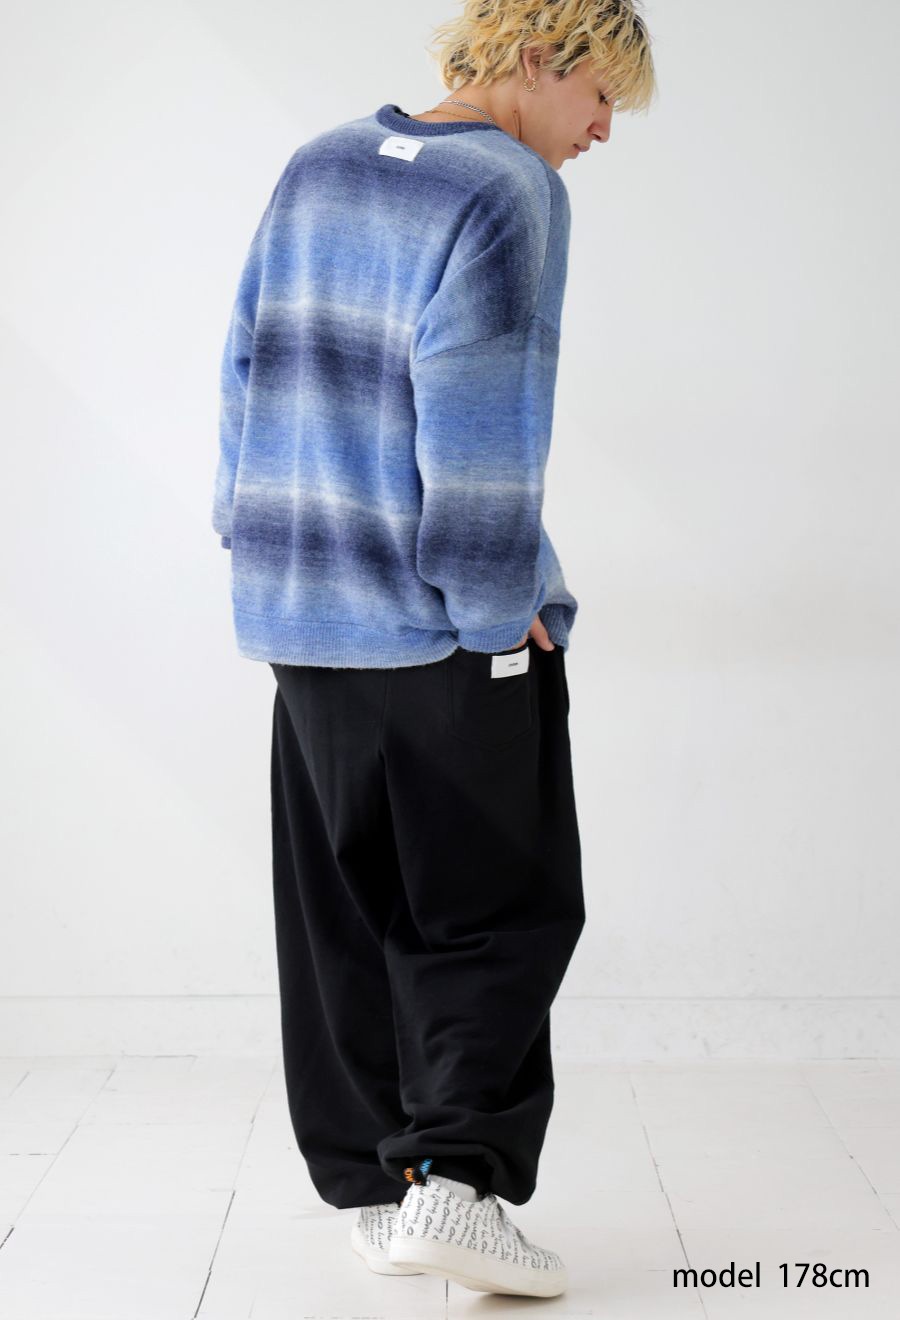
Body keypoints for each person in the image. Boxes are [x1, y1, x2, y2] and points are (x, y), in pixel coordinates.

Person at [212, 0, 656, 1299]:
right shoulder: (506, 190)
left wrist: (251, 533)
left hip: (300, 608)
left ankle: (378, 1190)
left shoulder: (322, 163)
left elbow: (244, 362)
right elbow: (481, 410)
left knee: (344, 912)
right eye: (601, 95)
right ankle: (453, 1187)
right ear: (540, 56)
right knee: (498, 909)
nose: (603, 130)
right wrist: (494, 602)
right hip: (436, 621)